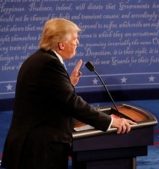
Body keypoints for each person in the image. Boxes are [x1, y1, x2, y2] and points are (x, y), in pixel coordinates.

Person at [1, 18, 136, 169]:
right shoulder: (49, 64)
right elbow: (72, 103)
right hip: (39, 150)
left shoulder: (40, 59)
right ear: (61, 44)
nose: (77, 42)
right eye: (75, 39)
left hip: (33, 146)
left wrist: (68, 83)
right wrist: (111, 122)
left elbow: (49, 98)